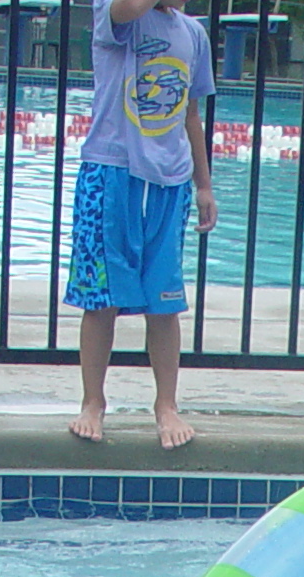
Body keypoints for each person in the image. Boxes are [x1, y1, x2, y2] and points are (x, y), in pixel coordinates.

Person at [64, 0, 218, 448]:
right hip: (112, 171)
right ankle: (93, 401)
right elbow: (128, 8)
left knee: (165, 300)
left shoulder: (193, 34)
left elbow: (191, 115)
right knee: (102, 298)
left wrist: (203, 185)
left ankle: (165, 405)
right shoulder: (116, 13)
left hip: (170, 182)